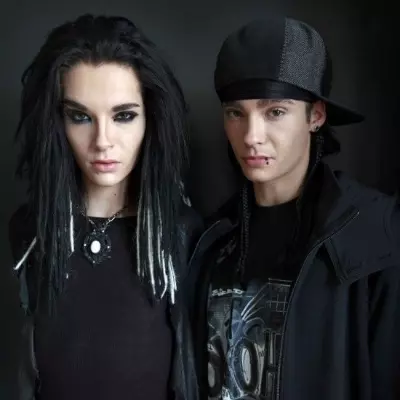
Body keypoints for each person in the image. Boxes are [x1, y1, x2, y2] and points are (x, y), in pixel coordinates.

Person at [189, 16, 400, 400]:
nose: (251, 136)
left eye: (275, 112)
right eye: (236, 113)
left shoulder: (375, 234)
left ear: (316, 115)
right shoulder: (211, 241)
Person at [9, 14, 202, 400]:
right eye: (80, 117)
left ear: (150, 119)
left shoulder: (181, 234)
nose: (102, 141)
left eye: (123, 116)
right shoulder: (30, 232)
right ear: (57, 122)